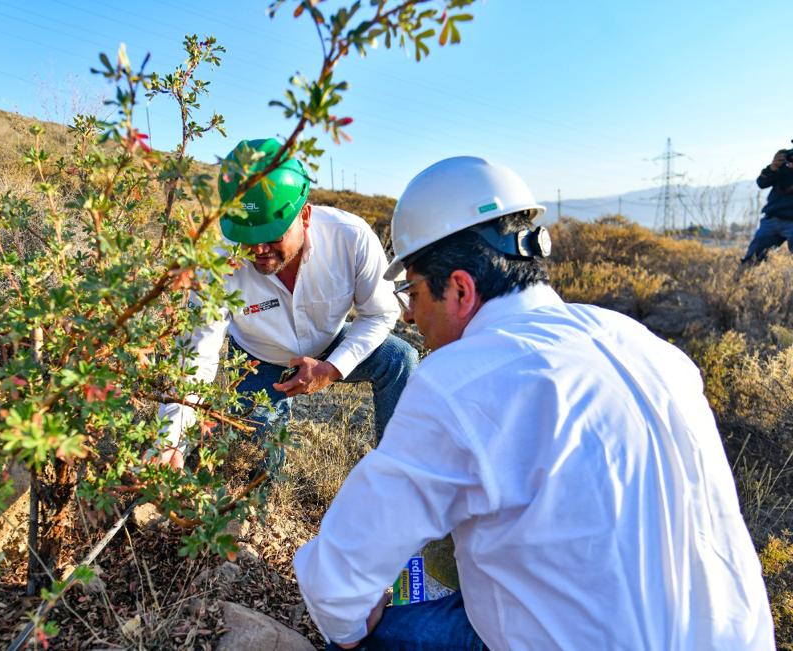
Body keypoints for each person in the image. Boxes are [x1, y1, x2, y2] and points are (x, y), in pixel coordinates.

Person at [293, 156, 775, 650]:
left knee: (361, 635)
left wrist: (349, 626)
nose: (410, 317)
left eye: (412, 292)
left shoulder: (459, 378)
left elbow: (335, 585)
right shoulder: (647, 345)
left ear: (460, 288)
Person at [156, 138, 417, 474]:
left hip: (330, 343)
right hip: (256, 358)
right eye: (247, 236)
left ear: (304, 216)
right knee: (260, 464)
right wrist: (170, 440)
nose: (258, 249)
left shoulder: (350, 237)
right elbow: (197, 354)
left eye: (272, 235)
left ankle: (400, 474)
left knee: (400, 359)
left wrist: (332, 367)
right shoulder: (216, 262)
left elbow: (380, 313)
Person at [741, 144, 793, 265]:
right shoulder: (786, 158)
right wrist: (772, 167)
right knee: (752, 257)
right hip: (773, 218)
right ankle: (740, 280)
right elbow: (762, 183)